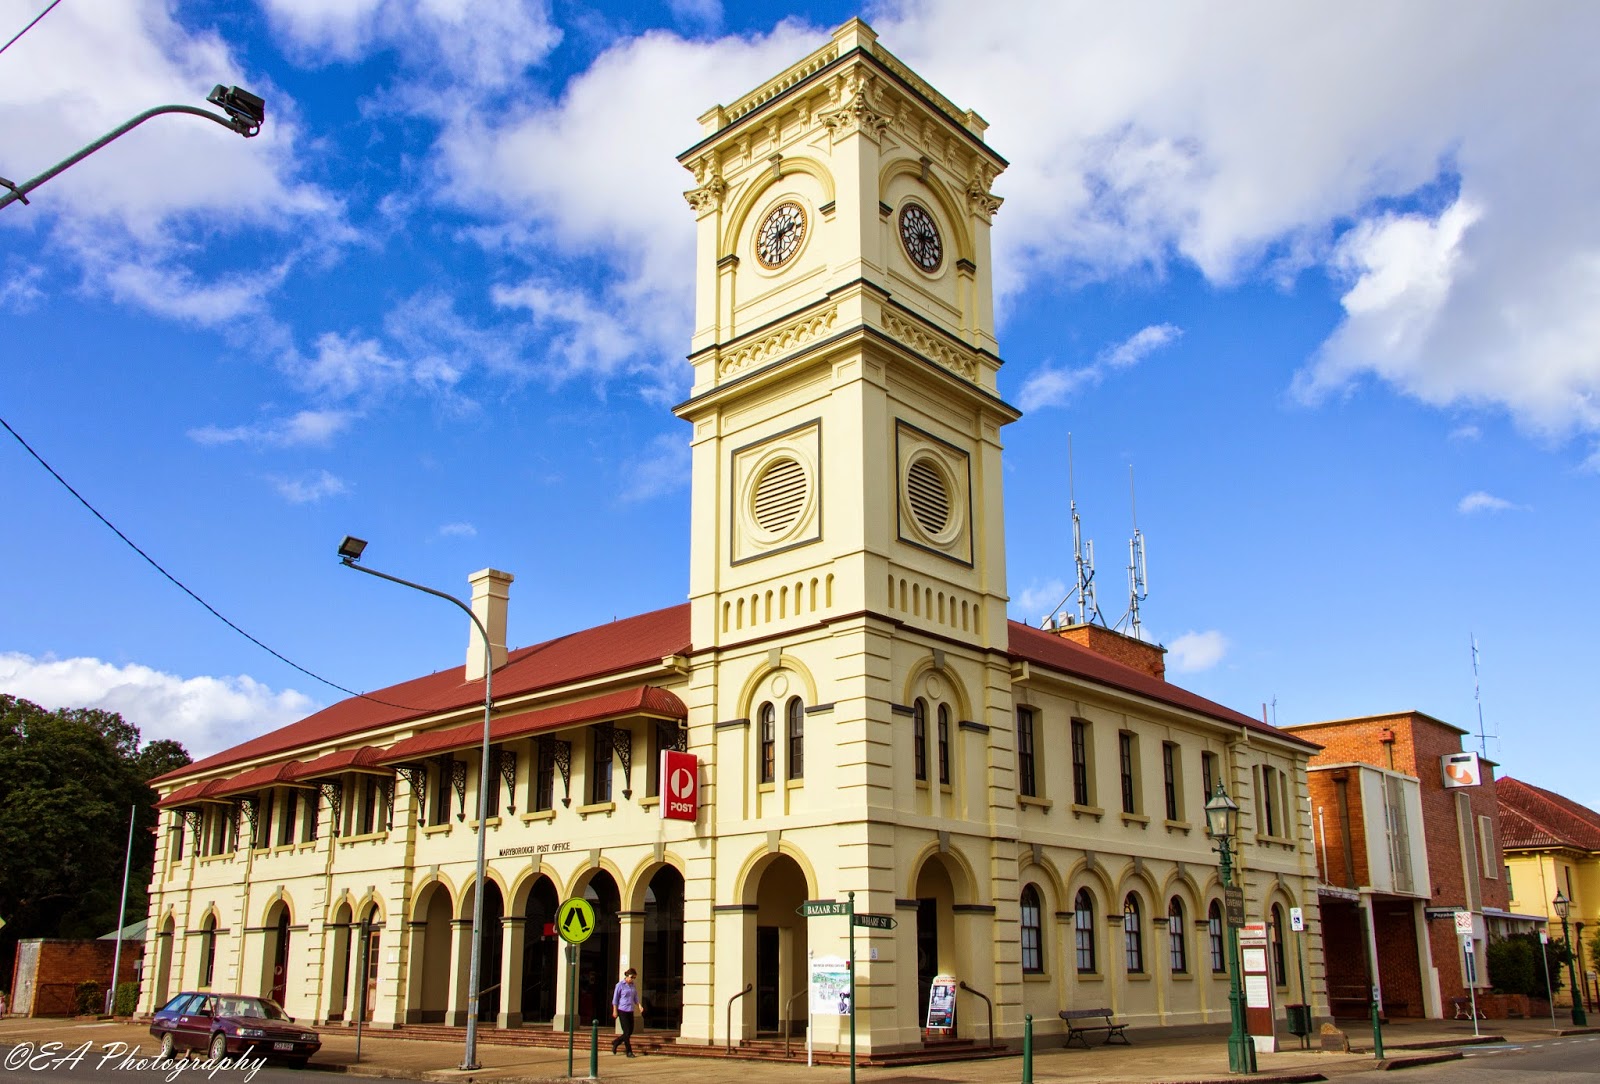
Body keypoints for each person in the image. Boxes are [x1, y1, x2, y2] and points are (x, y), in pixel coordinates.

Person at [610, 968, 639, 1057]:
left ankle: (616, 1042)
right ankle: (629, 1051)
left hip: (630, 1010)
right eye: (631, 977)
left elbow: (635, 997)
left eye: (634, 977)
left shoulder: (633, 986)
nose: (632, 979)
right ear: (627, 976)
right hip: (622, 1010)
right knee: (626, 1032)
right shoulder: (620, 985)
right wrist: (615, 1010)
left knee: (630, 1031)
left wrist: (639, 1005)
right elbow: (615, 999)